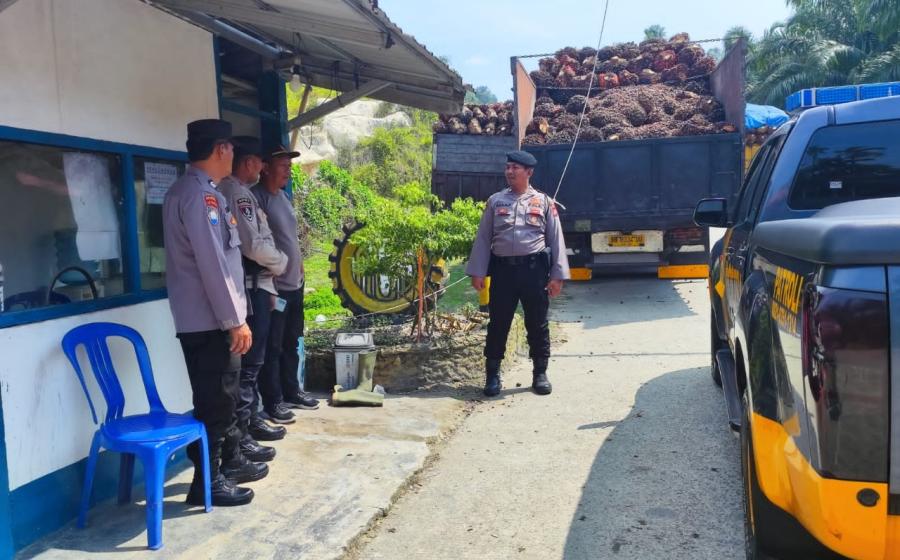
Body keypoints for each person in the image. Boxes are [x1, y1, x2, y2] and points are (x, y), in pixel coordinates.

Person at [163, 119, 266, 507]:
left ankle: (219, 470)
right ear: (221, 149)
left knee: (216, 399)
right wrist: (234, 320)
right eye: (232, 149)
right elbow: (213, 264)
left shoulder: (194, 191)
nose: (234, 155)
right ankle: (208, 483)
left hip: (205, 319)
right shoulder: (199, 197)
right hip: (210, 322)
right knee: (217, 403)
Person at [466, 150, 570, 397]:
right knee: (498, 323)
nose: (510, 172)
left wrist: (557, 276)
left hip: (534, 271)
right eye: (508, 167)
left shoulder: (544, 202)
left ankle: (540, 373)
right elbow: (483, 239)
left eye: (515, 168)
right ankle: (492, 375)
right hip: (503, 272)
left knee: (537, 323)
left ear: (529, 172)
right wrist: (477, 272)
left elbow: (556, 239)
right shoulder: (495, 201)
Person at [218, 136, 289, 458]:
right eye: (260, 162)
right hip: (251, 287)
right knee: (249, 364)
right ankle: (243, 433)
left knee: (251, 363)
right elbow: (254, 246)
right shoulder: (237, 194)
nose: (262, 167)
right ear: (249, 163)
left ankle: (251, 421)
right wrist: (282, 263)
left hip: (256, 285)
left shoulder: (234, 191)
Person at [252, 145, 319, 424]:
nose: (288, 171)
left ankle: (292, 391)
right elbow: (258, 244)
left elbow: (290, 237)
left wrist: (300, 264)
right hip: (275, 287)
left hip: (295, 283)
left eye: (289, 166)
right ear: (265, 168)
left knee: (292, 341)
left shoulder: (283, 196)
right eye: (283, 166)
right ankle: (274, 401)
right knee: (273, 346)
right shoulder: (257, 198)